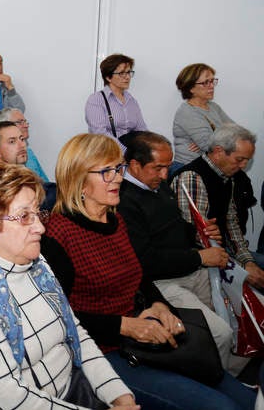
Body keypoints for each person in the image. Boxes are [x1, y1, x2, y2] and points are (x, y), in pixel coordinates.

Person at [41, 133, 254, 410]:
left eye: (118, 168)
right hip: (103, 351)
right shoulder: (58, 236)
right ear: (78, 179)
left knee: (245, 398)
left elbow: (137, 273)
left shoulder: (114, 219)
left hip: (143, 334)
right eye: (106, 171)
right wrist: (126, 325)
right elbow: (59, 319)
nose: (118, 178)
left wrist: (159, 304)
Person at [0, 162, 136, 409]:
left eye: (38, 213)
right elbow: (9, 399)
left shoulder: (36, 262)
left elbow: (76, 333)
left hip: (69, 390)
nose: (40, 227)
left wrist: (118, 393)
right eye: (23, 217)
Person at [118, 131, 234, 368]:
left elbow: (174, 226)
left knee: (239, 317)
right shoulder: (123, 200)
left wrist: (200, 232)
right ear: (134, 165)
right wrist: (200, 256)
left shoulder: (158, 186)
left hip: (189, 269)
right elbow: (145, 261)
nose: (164, 174)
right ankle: (217, 387)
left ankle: (231, 376)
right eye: (158, 168)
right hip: (162, 283)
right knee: (221, 334)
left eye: (168, 167)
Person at [171, 123, 263, 287]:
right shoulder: (192, 177)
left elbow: (232, 224)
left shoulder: (228, 177)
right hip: (202, 260)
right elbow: (198, 238)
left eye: (247, 161)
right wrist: (241, 269)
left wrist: (247, 261)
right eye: (240, 159)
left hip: (224, 253)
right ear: (219, 151)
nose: (243, 166)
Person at [172, 63, 234, 169]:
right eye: (205, 82)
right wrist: (211, 141)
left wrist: (212, 138)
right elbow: (210, 146)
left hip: (210, 167)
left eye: (212, 81)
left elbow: (237, 133)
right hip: (188, 169)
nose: (211, 86)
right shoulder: (187, 112)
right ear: (191, 88)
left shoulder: (213, 106)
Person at [85, 53, 147, 143]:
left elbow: (142, 129)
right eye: (122, 73)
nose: (127, 77)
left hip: (131, 153)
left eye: (129, 72)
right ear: (108, 77)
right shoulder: (96, 100)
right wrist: (125, 151)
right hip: (106, 152)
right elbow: (99, 134)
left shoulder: (131, 100)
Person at [0, 107, 49, 181]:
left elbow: (46, 184)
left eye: (25, 121)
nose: (26, 125)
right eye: (20, 122)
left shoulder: (28, 152)